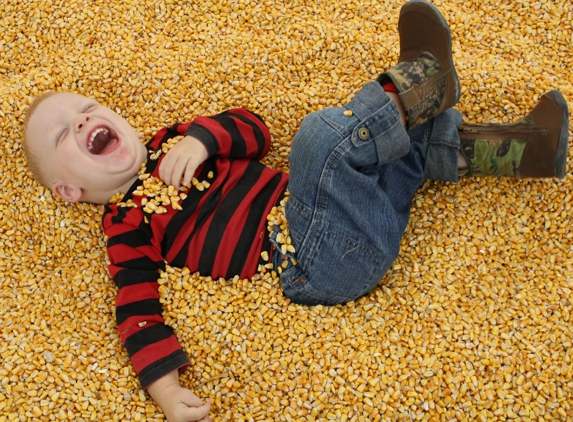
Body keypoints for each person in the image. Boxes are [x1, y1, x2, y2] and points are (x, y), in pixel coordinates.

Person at [22, 1, 569, 421]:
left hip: (360, 212)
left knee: (406, 149)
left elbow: (256, 131)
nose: (81, 121)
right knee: (319, 137)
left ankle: (523, 148)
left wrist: (205, 140)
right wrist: (164, 388)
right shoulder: (127, 225)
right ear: (69, 190)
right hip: (315, 259)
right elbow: (135, 305)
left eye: (88, 108)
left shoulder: (177, 141)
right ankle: (421, 82)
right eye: (63, 134)